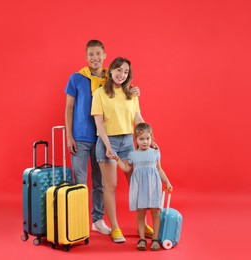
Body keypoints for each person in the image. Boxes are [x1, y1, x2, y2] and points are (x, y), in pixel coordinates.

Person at [65, 40, 143, 235]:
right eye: (91, 54)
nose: (95, 58)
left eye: (98, 54)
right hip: (82, 136)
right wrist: (69, 136)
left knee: (100, 183)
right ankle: (78, 219)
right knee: (80, 180)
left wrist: (133, 90)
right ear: (86, 57)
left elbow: (124, 91)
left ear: (105, 55)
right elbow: (69, 107)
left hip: (103, 137)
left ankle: (97, 219)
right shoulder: (76, 78)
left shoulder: (112, 78)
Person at [91, 56, 151, 243]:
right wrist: (108, 146)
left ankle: (144, 224)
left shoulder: (131, 94)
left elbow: (138, 117)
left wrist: (150, 138)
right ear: (111, 71)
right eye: (119, 70)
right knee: (110, 186)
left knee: (137, 182)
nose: (122, 74)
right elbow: (99, 123)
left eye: (125, 72)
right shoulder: (100, 93)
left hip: (127, 141)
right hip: (107, 141)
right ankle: (115, 228)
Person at [112, 122, 173, 250]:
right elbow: (126, 168)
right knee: (141, 213)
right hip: (139, 188)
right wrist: (117, 159)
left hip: (153, 186)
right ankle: (142, 239)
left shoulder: (155, 152)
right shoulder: (133, 155)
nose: (145, 142)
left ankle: (155, 239)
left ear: (151, 138)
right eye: (141, 139)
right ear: (136, 140)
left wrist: (167, 182)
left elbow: (159, 169)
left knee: (156, 212)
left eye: (147, 138)